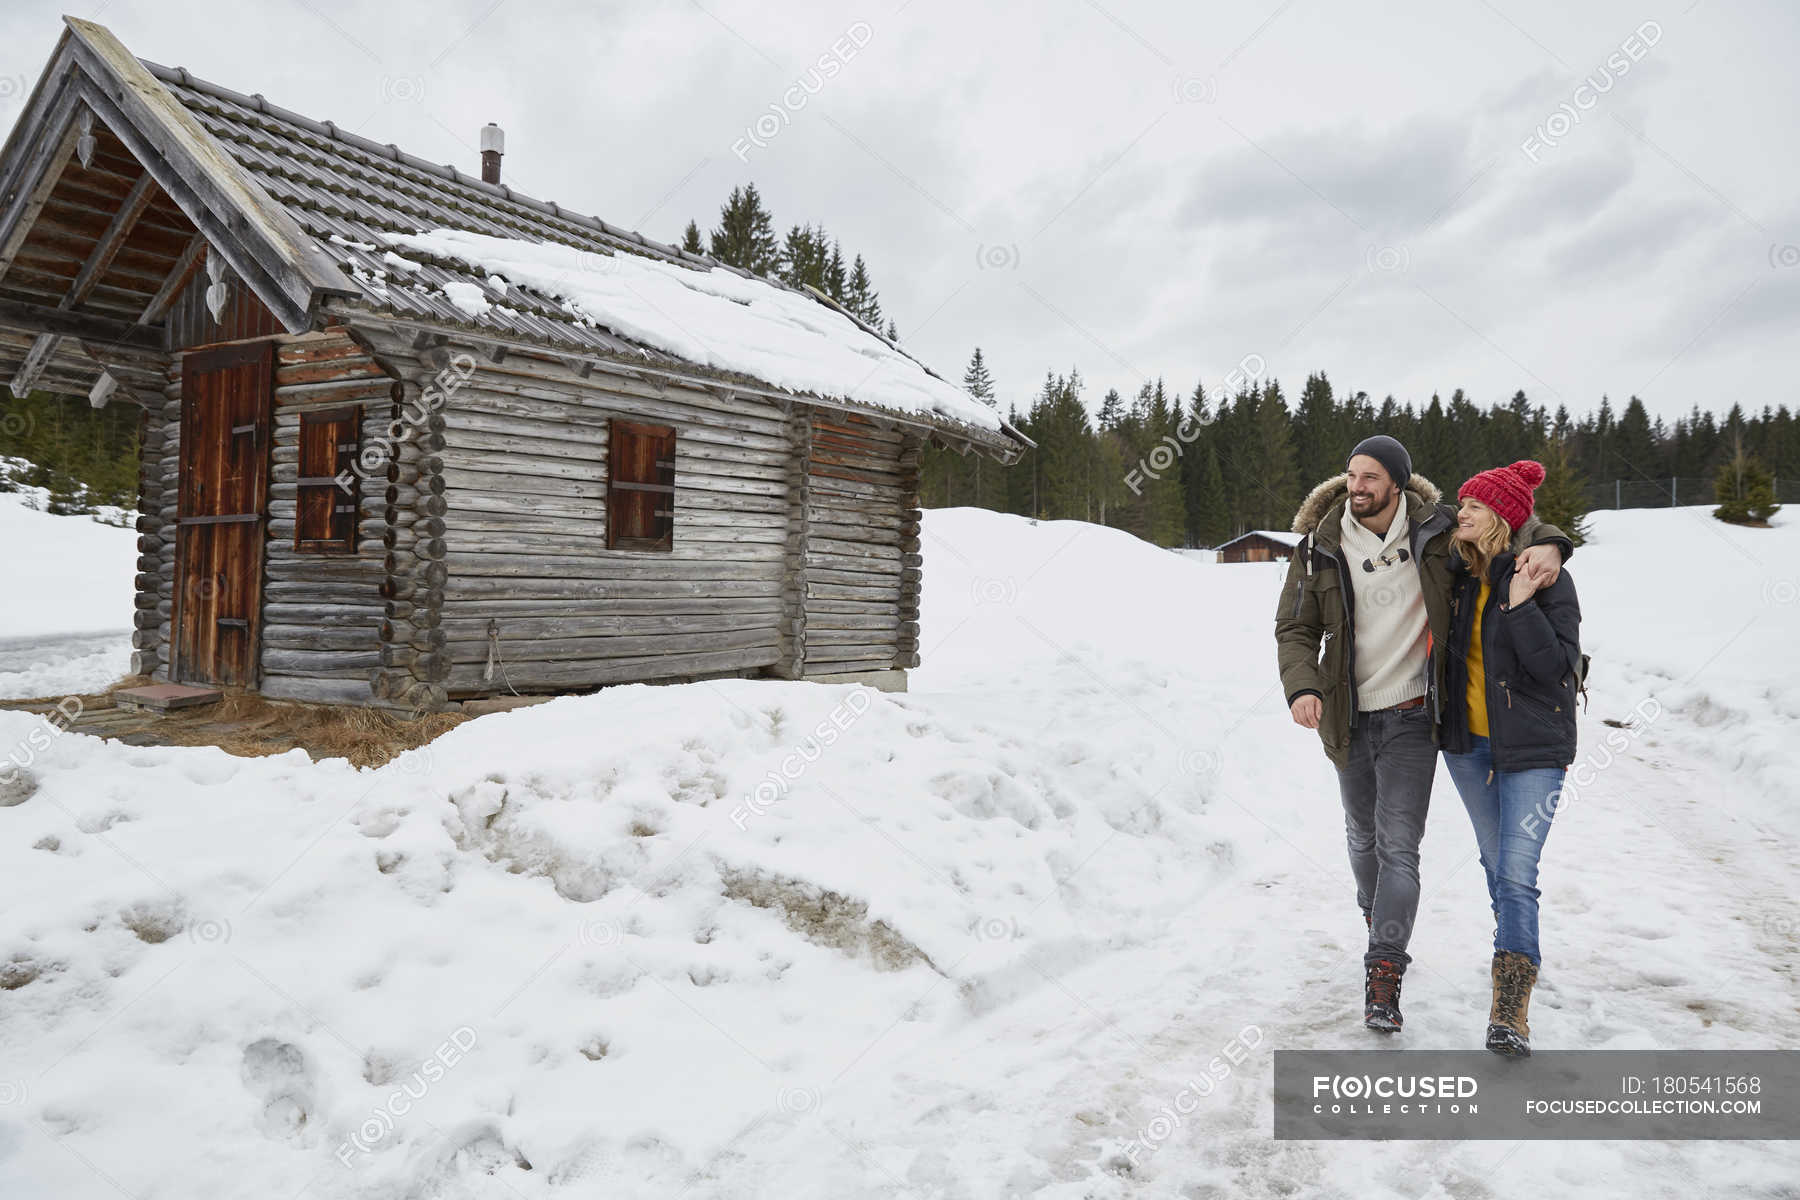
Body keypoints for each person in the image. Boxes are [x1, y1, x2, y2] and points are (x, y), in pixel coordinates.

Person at [1274, 435, 1572, 1034]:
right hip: (1349, 716)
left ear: (1398, 483)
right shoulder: (1318, 547)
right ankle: (1378, 921)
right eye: (1350, 474)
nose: (1357, 486)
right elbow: (1295, 628)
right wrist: (1303, 686)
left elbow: (1509, 522)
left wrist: (1552, 545)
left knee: (1400, 848)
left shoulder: (1435, 534)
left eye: (1370, 476)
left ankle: (1385, 969)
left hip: (1415, 716)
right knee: (1362, 841)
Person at [1438, 461, 1581, 1057]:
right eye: (1461, 504)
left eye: (1472, 506)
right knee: (1496, 864)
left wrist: (1520, 604)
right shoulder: (1460, 574)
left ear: (1500, 516)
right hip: (1468, 748)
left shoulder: (1543, 580)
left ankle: (1510, 1009)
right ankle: (1513, 956)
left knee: (1517, 872)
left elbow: (1555, 672)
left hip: (1533, 750)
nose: (1460, 513)